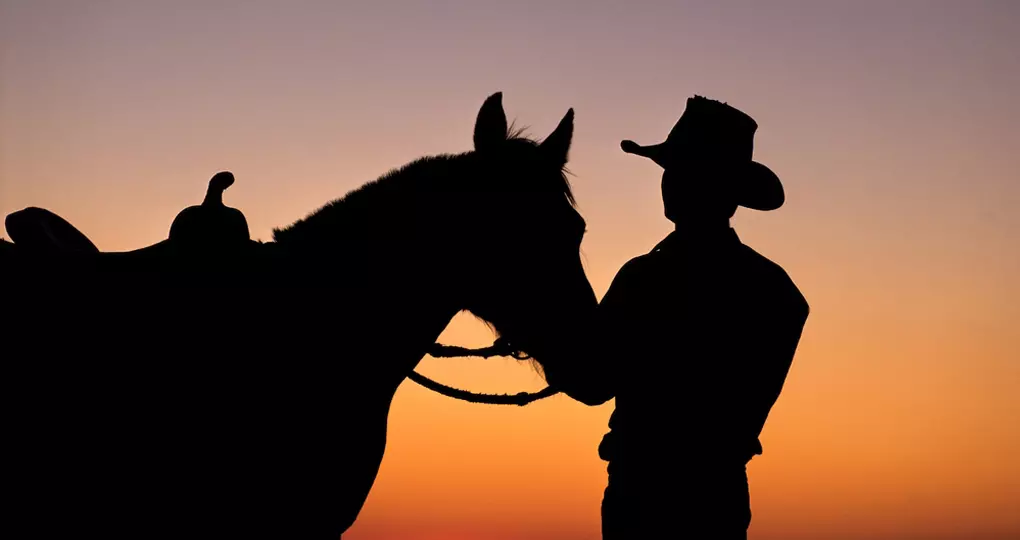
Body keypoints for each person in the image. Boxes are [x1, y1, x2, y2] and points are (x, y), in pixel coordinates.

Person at [593, 95, 810, 538]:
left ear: (716, 188)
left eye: (682, 172)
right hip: (709, 491)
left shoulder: (642, 277)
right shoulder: (771, 288)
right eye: (670, 171)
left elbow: (593, 379)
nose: (669, 183)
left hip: (649, 491)